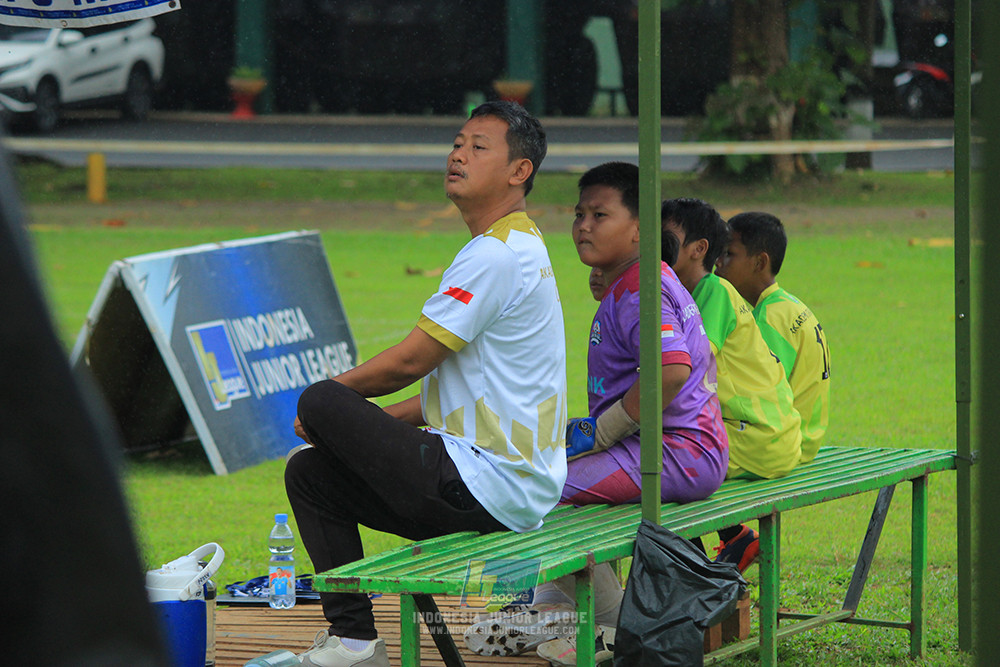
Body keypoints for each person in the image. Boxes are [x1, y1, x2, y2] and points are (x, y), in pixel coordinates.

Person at [278, 101, 568, 667]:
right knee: (310, 474)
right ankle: (356, 641)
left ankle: (358, 642)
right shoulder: (517, 246)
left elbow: (410, 362)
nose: (458, 154)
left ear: (519, 171)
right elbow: (439, 395)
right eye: (457, 143)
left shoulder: (498, 255)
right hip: (496, 484)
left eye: (478, 146)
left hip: (486, 485)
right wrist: (354, 429)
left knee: (320, 396)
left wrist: (329, 404)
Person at [465, 162, 728, 660]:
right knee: (542, 474)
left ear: (639, 230)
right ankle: (548, 612)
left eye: (600, 214)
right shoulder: (639, 279)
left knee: (536, 490)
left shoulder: (639, 290)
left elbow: (671, 371)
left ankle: (608, 626)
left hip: (678, 452)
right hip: (680, 446)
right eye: (579, 213)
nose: (583, 225)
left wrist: (605, 430)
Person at [662, 197, 802, 573]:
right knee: (658, 463)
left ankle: (693, 575)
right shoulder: (686, 293)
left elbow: (685, 371)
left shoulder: (713, 293)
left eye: (664, 238)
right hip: (765, 434)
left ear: (698, 250)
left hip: (760, 437)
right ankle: (730, 541)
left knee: (666, 468)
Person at [718, 211, 831, 464]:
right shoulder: (788, 305)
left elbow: (763, 392)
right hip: (808, 436)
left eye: (729, 254)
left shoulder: (769, 318)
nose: (719, 263)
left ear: (759, 262)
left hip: (789, 442)